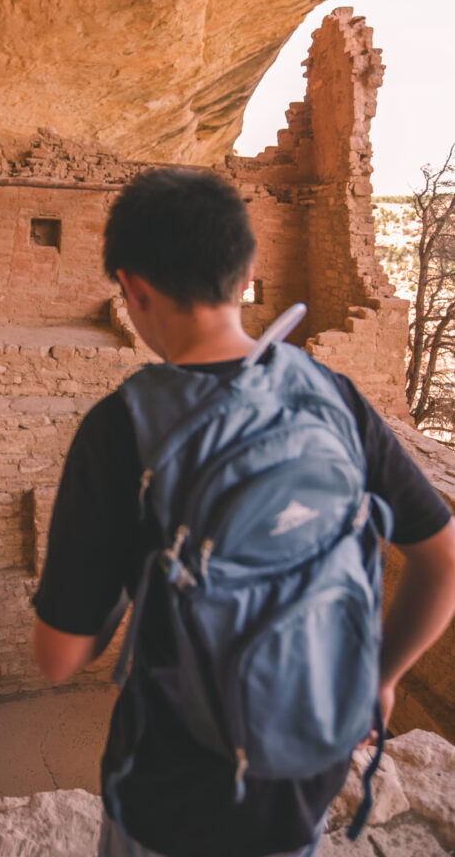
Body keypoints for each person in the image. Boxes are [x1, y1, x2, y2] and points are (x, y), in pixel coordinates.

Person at [32, 166, 455, 857]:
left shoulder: (122, 427)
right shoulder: (333, 397)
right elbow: (440, 556)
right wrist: (379, 679)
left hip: (166, 794)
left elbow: (58, 657)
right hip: (302, 776)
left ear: (132, 290)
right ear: (249, 271)